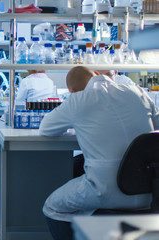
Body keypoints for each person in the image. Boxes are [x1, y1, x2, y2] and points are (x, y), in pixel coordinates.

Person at [39, 66, 159, 240]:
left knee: (53, 207)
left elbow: (46, 129)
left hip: (106, 190)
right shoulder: (137, 91)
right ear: (96, 75)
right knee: (79, 164)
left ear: (72, 91)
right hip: (149, 191)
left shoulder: (78, 100)